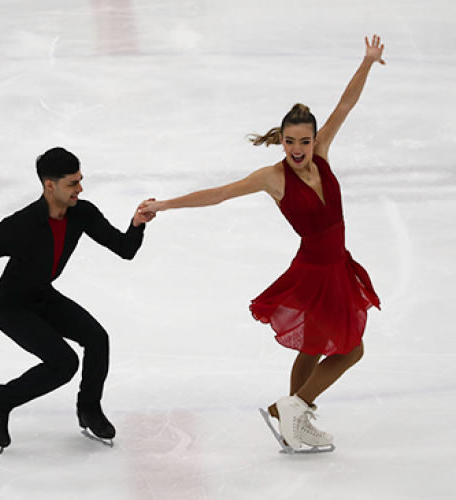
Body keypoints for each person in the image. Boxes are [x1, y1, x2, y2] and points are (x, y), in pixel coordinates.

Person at [140, 36, 385, 450]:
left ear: (313, 139)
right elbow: (218, 194)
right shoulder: (273, 178)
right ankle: (295, 407)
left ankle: (292, 420)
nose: (297, 149)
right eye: (290, 141)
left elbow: (345, 104)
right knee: (351, 351)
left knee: (311, 345)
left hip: (336, 265)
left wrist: (366, 62)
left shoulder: (322, 153)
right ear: (282, 140)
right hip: (315, 271)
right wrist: (163, 205)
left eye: (304, 141)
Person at [0, 147, 155, 450]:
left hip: (42, 297)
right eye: (72, 183)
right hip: (11, 306)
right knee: (63, 363)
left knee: (97, 339)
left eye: (80, 180)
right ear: (50, 185)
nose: (80, 188)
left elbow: (124, 248)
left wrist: (137, 224)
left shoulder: (82, 213)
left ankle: (89, 409)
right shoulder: (20, 225)